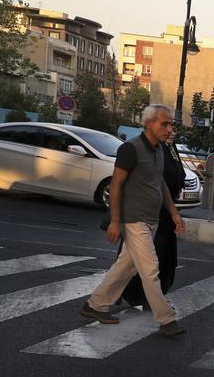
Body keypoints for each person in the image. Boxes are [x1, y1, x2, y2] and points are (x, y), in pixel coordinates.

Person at [79, 104, 186, 336]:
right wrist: (116, 221)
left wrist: (174, 212)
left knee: (125, 268)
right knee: (150, 269)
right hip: (134, 220)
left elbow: (161, 184)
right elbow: (116, 184)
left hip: (151, 220)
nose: (169, 129)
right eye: (164, 123)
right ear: (149, 123)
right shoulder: (131, 149)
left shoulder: (159, 150)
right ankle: (167, 320)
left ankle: (94, 306)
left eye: (171, 125)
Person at [121, 140, 184, 309]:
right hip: (146, 213)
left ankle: (98, 302)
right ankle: (157, 307)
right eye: (167, 125)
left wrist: (173, 212)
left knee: (133, 262)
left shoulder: (169, 149)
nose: (172, 131)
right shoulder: (150, 149)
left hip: (163, 214)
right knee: (149, 263)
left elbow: (174, 177)